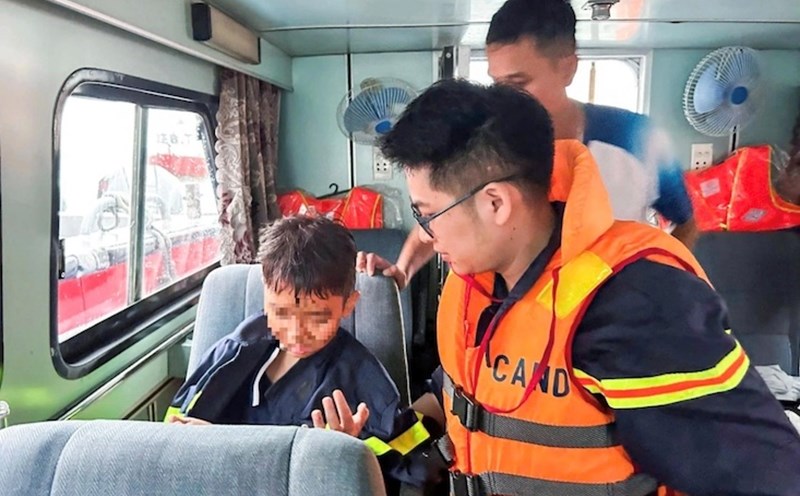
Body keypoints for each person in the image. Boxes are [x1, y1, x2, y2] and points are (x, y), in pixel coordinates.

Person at [332, 79, 800, 495]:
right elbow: (452, 399)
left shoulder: (636, 304)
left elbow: (767, 475)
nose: (426, 235)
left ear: (495, 203)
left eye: (426, 214)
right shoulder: (472, 286)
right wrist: (369, 449)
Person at [360, 0, 698, 290]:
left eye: (519, 83)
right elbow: (443, 216)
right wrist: (401, 272)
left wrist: (661, 283)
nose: (506, 98)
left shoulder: (637, 138)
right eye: (497, 84)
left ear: (567, 68)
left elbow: (685, 219)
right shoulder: (492, 140)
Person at [165, 215, 432, 491]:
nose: (296, 333)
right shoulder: (238, 349)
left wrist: (351, 451)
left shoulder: (359, 375)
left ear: (348, 305)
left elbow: (411, 461)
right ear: (265, 293)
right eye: (280, 313)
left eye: (317, 318)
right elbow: (176, 424)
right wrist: (195, 438)